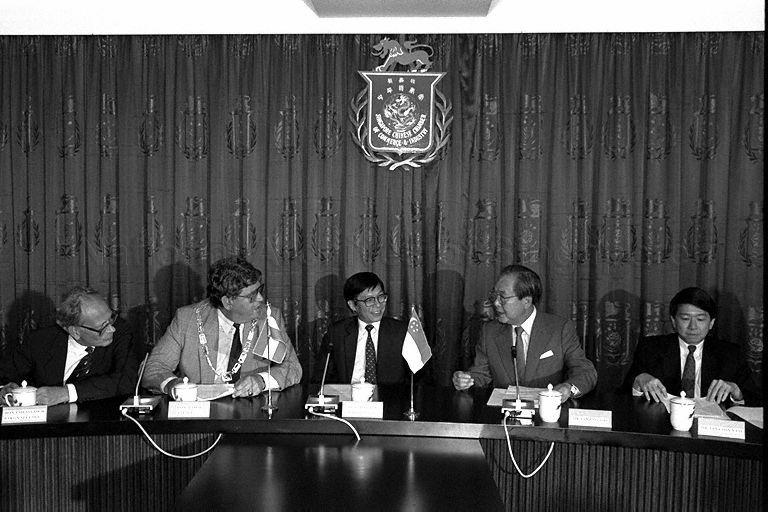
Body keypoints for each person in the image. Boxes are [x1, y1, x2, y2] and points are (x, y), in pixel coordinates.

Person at [141, 256, 302, 398]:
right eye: (252, 296)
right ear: (228, 302)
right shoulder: (187, 319)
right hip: (202, 416)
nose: (260, 298)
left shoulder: (269, 317)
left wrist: (261, 381)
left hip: (251, 412)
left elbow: (293, 367)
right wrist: (173, 385)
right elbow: (154, 368)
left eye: (260, 290)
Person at [452, 265, 597, 402]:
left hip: (545, 417)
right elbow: (481, 374)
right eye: (494, 296)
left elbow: (585, 371)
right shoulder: (489, 331)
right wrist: (466, 379)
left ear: (526, 301)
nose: (496, 303)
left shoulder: (559, 329)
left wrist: (568, 388)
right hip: (504, 418)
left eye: (502, 297)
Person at [0, 287, 138, 406]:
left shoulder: (122, 332)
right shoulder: (40, 341)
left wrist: (66, 393)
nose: (111, 329)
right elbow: (7, 376)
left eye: (111, 318)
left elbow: (125, 382)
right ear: (75, 331)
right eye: (103, 327)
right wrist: (5, 389)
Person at [626, 287, 753, 404]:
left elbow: (755, 398)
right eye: (685, 318)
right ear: (674, 321)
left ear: (711, 323)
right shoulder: (650, 348)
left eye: (700, 319)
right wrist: (639, 380)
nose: (693, 326)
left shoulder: (731, 353)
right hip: (662, 423)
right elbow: (623, 393)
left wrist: (736, 392)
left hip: (712, 424)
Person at [320, 272, 409, 385]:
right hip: (348, 399)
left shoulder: (402, 332)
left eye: (381, 297)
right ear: (353, 305)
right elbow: (322, 378)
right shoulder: (337, 333)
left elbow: (418, 379)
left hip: (389, 399)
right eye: (369, 300)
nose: (378, 305)